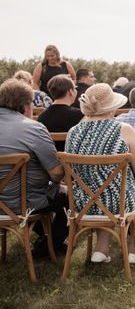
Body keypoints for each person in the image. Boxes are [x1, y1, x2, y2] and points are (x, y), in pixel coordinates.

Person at [65, 83, 135, 263]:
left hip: (82, 203)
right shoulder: (123, 130)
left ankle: (101, 249)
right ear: (112, 107)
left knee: (97, 189)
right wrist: (130, 178)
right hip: (119, 203)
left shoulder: (73, 132)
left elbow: (73, 170)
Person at [0, 78, 68, 256]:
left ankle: (47, 241)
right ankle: (49, 246)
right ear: (25, 105)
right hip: (24, 203)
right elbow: (56, 174)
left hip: (11, 201)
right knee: (71, 196)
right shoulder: (33, 128)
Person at [37, 75, 84, 151]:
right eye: (74, 89)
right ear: (70, 91)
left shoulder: (41, 117)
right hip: (72, 159)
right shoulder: (80, 115)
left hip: (50, 159)